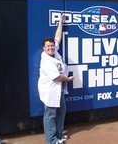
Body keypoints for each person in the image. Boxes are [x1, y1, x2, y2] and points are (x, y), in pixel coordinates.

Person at [38, 14, 75, 144]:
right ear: (44, 48)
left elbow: (57, 37)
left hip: (58, 90)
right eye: (48, 46)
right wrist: (68, 80)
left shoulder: (55, 52)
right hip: (50, 91)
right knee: (50, 116)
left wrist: (60, 22)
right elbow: (58, 77)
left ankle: (59, 136)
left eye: (52, 46)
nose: (51, 47)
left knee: (61, 112)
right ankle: (52, 140)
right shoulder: (46, 60)